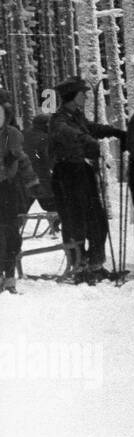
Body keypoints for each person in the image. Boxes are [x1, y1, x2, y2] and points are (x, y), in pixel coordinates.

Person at [49, 76, 127, 284]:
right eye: (83, 93)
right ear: (72, 97)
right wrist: (89, 142)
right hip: (67, 174)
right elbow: (71, 134)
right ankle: (79, 267)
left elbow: (91, 128)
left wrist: (115, 132)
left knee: (96, 219)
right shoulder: (59, 119)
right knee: (75, 221)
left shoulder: (77, 116)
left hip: (81, 171)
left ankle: (96, 265)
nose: (85, 96)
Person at [0, 92, 39, 293]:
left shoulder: (12, 135)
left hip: (8, 191)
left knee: (11, 234)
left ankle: (9, 276)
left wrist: (32, 181)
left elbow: (23, 159)